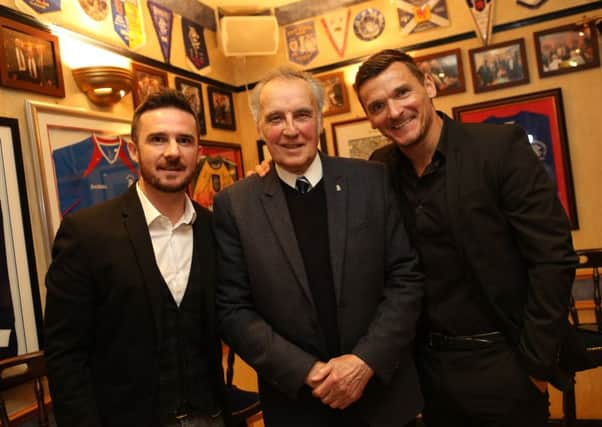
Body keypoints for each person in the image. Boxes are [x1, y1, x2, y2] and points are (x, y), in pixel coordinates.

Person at [353, 49, 577, 427]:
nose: (393, 111)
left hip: (503, 362)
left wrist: (534, 367)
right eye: (377, 106)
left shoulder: (498, 148)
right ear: (370, 118)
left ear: (428, 85)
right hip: (427, 372)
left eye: (402, 93)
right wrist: (277, 172)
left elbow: (552, 258)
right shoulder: (380, 168)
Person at [213, 68, 424, 427]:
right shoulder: (235, 205)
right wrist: (308, 372)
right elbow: (233, 309)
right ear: (260, 128)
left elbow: (405, 277)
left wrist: (364, 362)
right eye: (276, 118)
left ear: (321, 120)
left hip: (384, 399)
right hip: (298, 404)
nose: (291, 130)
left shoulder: (371, 180)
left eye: (302, 115)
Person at [44, 89, 230, 427]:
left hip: (211, 416)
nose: (173, 152)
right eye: (158, 139)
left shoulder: (215, 229)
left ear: (198, 152)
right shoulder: (86, 233)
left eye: (184, 141)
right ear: (134, 149)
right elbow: (64, 354)